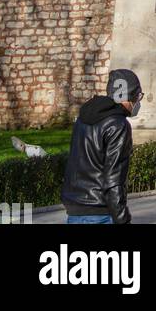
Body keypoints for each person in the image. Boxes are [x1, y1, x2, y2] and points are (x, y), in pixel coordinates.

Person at [61, 68, 143, 224]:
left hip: (74, 210)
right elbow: (113, 178)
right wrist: (122, 218)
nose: (138, 102)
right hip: (100, 212)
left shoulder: (82, 118)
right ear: (130, 96)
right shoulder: (118, 125)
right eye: (138, 96)